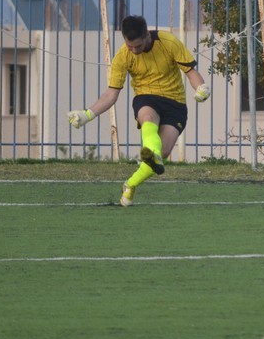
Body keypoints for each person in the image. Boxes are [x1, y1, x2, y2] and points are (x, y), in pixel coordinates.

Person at [67, 15, 210, 206]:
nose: (134, 51)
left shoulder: (168, 42)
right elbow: (111, 94)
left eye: (138, 46)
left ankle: (130, 184)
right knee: (148, 117)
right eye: (129, 46)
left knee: (163, 152)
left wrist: (202, 88)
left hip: (175, 104)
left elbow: (191, 73)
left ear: (147, 35)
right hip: (146, 98)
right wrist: (87, 114)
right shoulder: (122, 56)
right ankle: (151, 153)